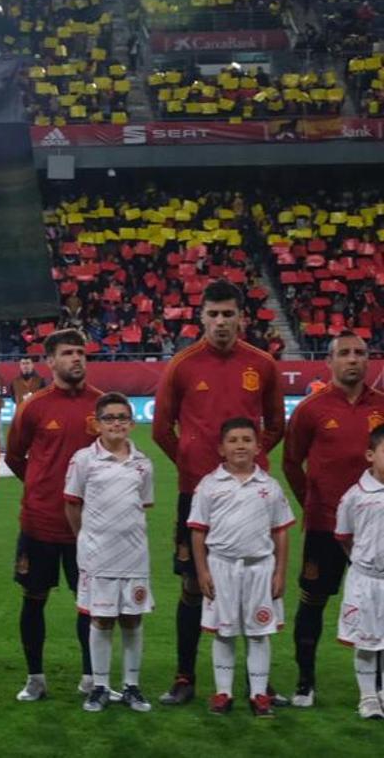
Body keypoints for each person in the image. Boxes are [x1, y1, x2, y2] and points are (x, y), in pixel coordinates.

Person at [152, 280, 285, 706]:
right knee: (195, 586)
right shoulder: (182, 364)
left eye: (229, 314)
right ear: (201, 316)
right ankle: (185, 677)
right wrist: (193, 466)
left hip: (250, 498)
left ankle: (258, 684)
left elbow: (276, 426)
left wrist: (246, 469)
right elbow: (161, 429)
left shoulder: (262, 365)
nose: (221, 322)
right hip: (198, 494)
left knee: (254, 583)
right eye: (214, 314)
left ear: (241, 317)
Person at [281, 330, 384, 705]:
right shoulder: (312, 408)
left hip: (377, 530)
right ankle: (305, 681)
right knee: (313, 602)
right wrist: (311, 501)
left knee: (380, 605)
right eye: (345, 353)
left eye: (360, 352)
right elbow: (291, 461)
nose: (353, 359)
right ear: (330, 361)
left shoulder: (383, 406)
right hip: (325, 527)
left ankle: (379, 686)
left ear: (368, 360)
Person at [4, 329, 99, 701]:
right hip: (40, 522)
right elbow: (14, 455)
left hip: (89, 526)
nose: (77, 358)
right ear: (50, 361)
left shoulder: (101, 405)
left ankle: (92, 676)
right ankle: (35, 677)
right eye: (68, 353)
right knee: (33, 599)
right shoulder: (34, 405)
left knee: (90, 602)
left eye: (81, 352)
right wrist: (41, 487)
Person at [189, 417, 295, 717]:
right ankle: (224, 692)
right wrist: (202, 572)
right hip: (221, 566)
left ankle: (259, 694)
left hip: (260, 568)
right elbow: (198, 531)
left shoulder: (270, 487)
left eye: (247, 440)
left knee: (258, 631)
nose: (240, 445)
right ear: (221, 448)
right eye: (233, 440)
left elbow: (281, 531)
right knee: (224, 632)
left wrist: (280, 572)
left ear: (258, 447)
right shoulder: (209, 486)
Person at [64, 392, 156, 713]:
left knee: (132, 619)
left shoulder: (143, 463)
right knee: (101, 619)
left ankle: (132, 686)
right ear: (97, 424)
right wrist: (85, 539)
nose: (116, 423)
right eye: (109, 418)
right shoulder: (83, 460)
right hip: (98, 556)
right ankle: (100, 686)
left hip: (134, 556)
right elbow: (72, 504)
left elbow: (142, 505)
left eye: (121, 418)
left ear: (131, 423)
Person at [334, 425, 384, 720]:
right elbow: (345, 536)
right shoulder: (355, 496)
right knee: (366, 640)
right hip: (366, 579)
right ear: (370, 455)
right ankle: (367, 696)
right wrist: (364, 563)